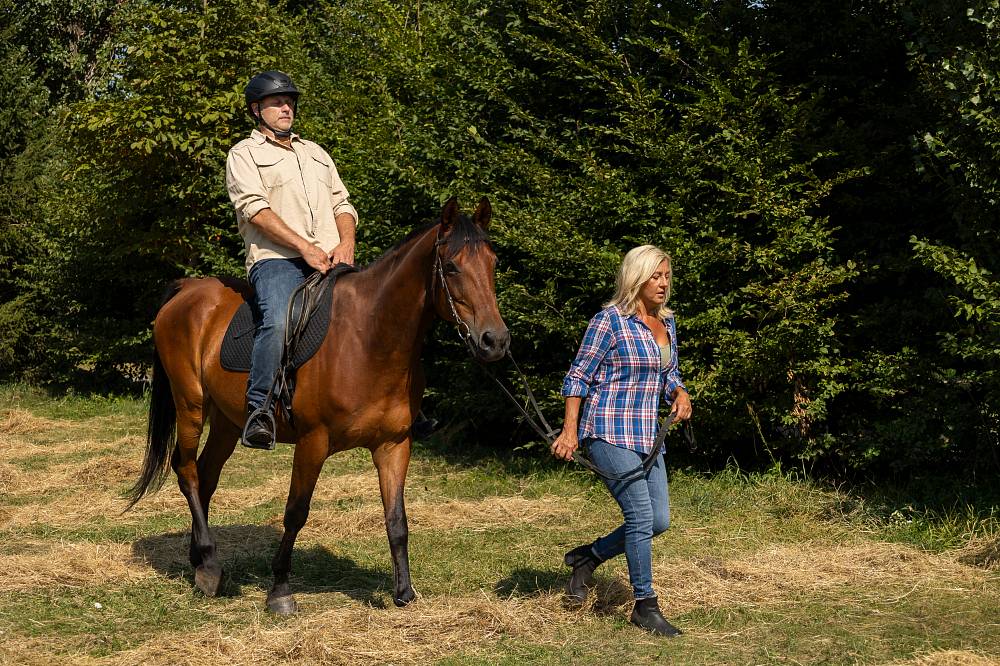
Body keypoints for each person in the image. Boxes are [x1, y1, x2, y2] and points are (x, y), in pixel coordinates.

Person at [550, 245, 693, 637]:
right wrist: (569, 431)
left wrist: (679, 393)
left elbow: (669, 374)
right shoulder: (609, 321)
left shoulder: (668, 324)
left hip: (648, 436)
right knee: (640, 517)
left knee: (658, 521)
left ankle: (587, 557)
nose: (663, 284)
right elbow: (577, 377)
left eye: (666, 276)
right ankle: (645, 605)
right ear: (637, 277)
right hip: (608, 431)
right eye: (655, 276)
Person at [226, 70, 358, 449]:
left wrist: (345, 242)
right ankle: (260, 410)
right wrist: (304, 247)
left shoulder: (315, 153)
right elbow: (255, 210)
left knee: (376, 310)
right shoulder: (244, 154)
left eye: (290, 102)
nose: (286, 107)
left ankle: (401, 407)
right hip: (278, 259)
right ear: (256, 109)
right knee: (280, 319)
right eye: (276, 102)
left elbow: (342, 203)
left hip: (332, 257)